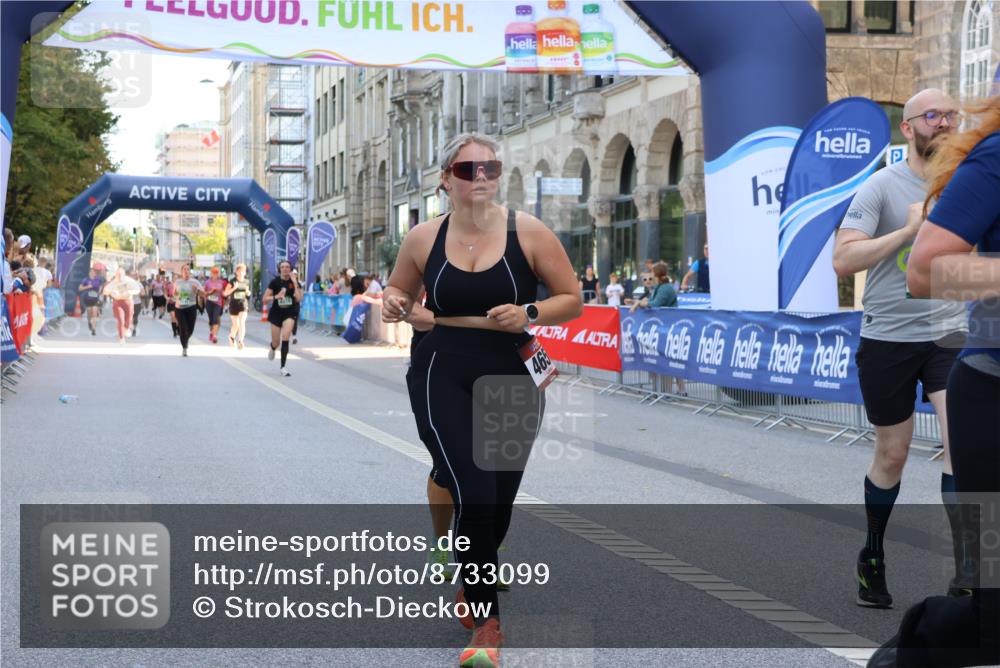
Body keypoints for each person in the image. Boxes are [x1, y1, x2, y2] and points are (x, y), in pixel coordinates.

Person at [381, 132, 582, 667]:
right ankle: (488, 628)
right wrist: (394, 303)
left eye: (489, 168)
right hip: (441, 367)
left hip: (512, 370)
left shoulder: (529, 232)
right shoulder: (424, 237)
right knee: (473, 490)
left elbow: (572, 299)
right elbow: (397, 289)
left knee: (499, 498)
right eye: (467, 169)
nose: (480, 177)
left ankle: (476, 573)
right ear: (445, 178)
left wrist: (531, 314)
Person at [867, 95, 1000, 668]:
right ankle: (910, 651)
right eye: (930, 115)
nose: (940, 123)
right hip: (987, 386)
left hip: (956, 357)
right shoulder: (994, 158)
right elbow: (924, 273)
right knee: (993, 620)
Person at [833, 88, 969, 609]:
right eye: (934, 115)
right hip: (888, 336)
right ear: (908, 128)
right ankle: (871, 555)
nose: (945, 122)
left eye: (951, 115)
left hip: (950, 334)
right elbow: (843, 262)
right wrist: (909, 230)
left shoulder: (966, 185)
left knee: (968, 445)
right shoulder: (881, 188)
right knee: (892, 455)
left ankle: (972, 573)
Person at [263, 260, 301, 376]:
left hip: (289, 312)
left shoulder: (294, 282)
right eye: (283, 267)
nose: (285, 269)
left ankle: (283, 367)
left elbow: (298, 299)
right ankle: (272, 347)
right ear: (279, 269)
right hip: (276, 313)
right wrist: (277, 296)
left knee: (286, 336)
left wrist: (294, 283)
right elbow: (265, 299)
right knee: (276, 342)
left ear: (290, 269)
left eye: (287, 267)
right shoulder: (274, 282)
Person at [101, 267, 141, 344]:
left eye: (120, 274)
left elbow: (137, 290)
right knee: (120, 320)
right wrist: (111, 292)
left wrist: (129, 292)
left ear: (123, 274)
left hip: (128, 302)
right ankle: (121, 337)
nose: (118, 276)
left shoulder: (129, 280)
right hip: (118, 303)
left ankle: (127, 328)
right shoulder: (114, 282)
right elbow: (105, 291)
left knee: (128, 319)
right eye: (117, 274)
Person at [172, 264, 203, 357]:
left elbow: (203, 294)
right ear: (182, 272)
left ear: (190, 271)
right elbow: (174, 293)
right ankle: (184, 347)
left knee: (190, 329)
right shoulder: (177, 282)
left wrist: (197, 290)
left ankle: (185, 339)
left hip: (191, 307)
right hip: (180, 308)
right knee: (183, 328)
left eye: (188, 269)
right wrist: (175, 293)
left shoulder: (195, 282)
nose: (186, 271)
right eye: (184, 269)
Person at [224, 263, 251, 350]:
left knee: (242, 322)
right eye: (239, 271)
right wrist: (233, 288)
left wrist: (248, 293)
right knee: (236, 325)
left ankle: (240, 341)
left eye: (243, 271)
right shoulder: (232, 281)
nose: (241, 273)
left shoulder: (246, 281)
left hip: (243, 304)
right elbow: (225, 293)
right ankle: (231, 337)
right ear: (236, 272)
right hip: (233, 305)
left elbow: (247, 292)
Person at [202, 267, 227, 344]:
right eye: (214, 273)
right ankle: (212, 332)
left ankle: (215, 336)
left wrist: (222, 292)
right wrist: (210, 292)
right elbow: (204, 293)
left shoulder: (222, 282)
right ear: (211, 273)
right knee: (211, 320)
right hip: (209, 302)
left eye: (216, 273)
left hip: (218, 303)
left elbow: (225, 292)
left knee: (215, 318)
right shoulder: (207, 282)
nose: (215, 274)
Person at [78, 268, 103, 335]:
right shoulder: (85, 280)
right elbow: (80, 288)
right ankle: (89, 322)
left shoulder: (98, 280)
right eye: (91, 272)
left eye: (94, 272)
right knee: (89, 313)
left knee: (94, 312)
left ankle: (94, 329)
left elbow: (100, 287)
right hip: (87, 298)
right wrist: (87, 287)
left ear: (95, 273)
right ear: (89, 273)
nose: (92, 273)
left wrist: (99, 292)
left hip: (95, 298)